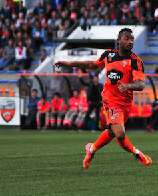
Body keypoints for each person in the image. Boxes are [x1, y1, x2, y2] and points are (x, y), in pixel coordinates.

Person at [54, 28, 152, 169]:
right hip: (110, 100)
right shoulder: (108, 55)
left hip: (125, 103)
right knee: (120, 133)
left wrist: (129, 85)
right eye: (126, 38)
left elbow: (141, 84)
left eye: (131, 39)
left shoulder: (136, 61)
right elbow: (91, 65)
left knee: (112, 132)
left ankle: (91, 149)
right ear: (119, 41)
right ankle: (137, 153)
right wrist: (69, 64)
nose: (130, 42)